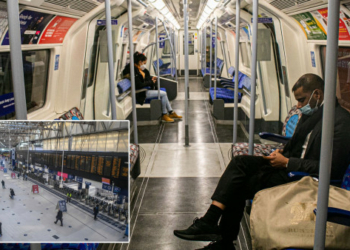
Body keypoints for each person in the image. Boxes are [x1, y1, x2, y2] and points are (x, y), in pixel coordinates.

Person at [173, 74, 350, 250]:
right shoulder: (313, 113)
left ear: (317, 95)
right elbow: (298, 144)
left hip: (304, 178)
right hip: (289, 165)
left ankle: (220, 237)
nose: (298, 106)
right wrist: (282, 153)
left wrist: (288, 162)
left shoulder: (340, 122)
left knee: (237, 185)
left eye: (302, 100)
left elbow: (332, 170)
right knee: (240, 162)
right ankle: (211, 222)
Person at [122, 52, 182, 123]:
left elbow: (144, 80)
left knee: (163, 93)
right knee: (163, 94)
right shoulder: (134, 71)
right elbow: (139, 85)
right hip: (140, 93)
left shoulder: (139, 70)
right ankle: (165, 114)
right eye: (144, 63)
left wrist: (151, 80)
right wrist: (151, 82)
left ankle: (170, 112)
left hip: (144, 90)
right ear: (140, 62)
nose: (144, 65)